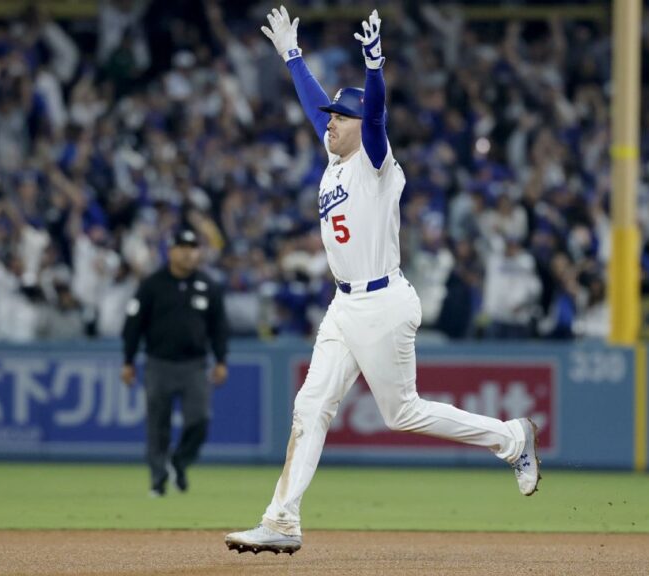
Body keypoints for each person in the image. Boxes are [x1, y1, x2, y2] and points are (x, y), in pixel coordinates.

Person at [225, 7, 541, 556]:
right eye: (329, 118)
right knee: (310, 407)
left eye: (338, 118)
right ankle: (282, 520)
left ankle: (510, 437)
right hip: (343, 306)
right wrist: (292, 58)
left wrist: (374, 65)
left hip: (383, 301)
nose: (329, 123)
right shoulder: (333, 160)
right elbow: (315, 107)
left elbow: (373, 118)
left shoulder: (376, 162)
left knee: (403, 413)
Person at [121, 228, 229, 497]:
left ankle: (179, 461)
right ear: (170, 252)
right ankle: (158, 480)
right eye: (181, 246)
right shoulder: (151, 285)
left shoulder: (208, 285)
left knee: (200, 420)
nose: (188, 252)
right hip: (159, 363)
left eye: (192, 247)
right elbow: (133, 326)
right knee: (158, 426)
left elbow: (219, 328)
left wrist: (221, 360)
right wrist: (128, 360)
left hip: (194, 365)